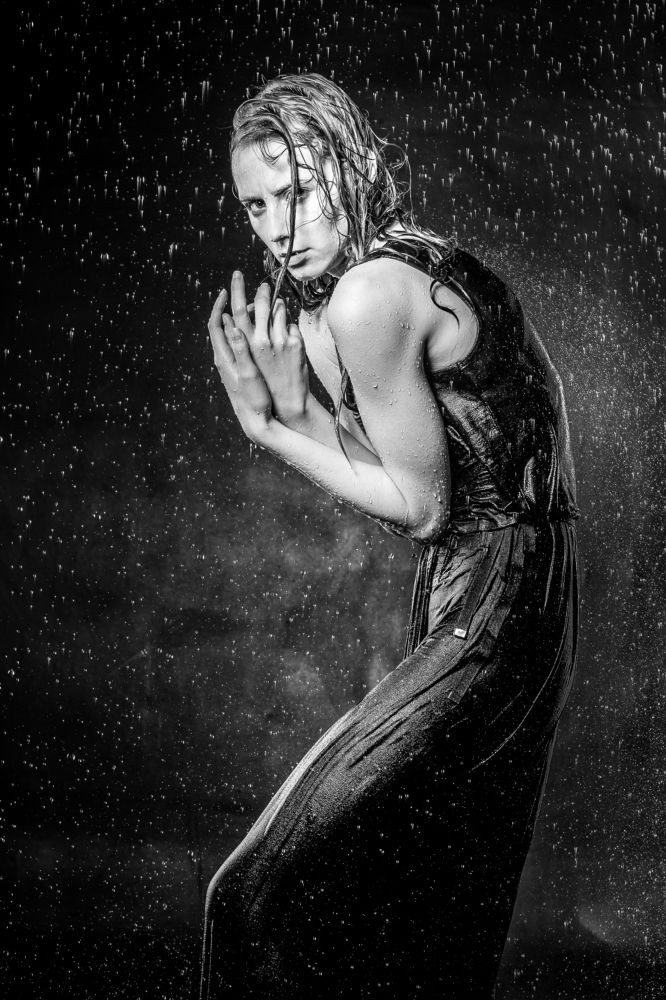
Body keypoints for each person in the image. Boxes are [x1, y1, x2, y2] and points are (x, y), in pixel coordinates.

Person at [201, 73, 579, 999]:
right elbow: (434, 473)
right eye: (257, 205)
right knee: (424, 924)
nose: (279, 227)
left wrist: (272, 428)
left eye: (298, 189)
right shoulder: (411, 264)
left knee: (250, 898)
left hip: (491, 606)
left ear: (355, 162)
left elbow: (422, 508)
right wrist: (306, 407)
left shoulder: (367, 298)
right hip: (514, 593)